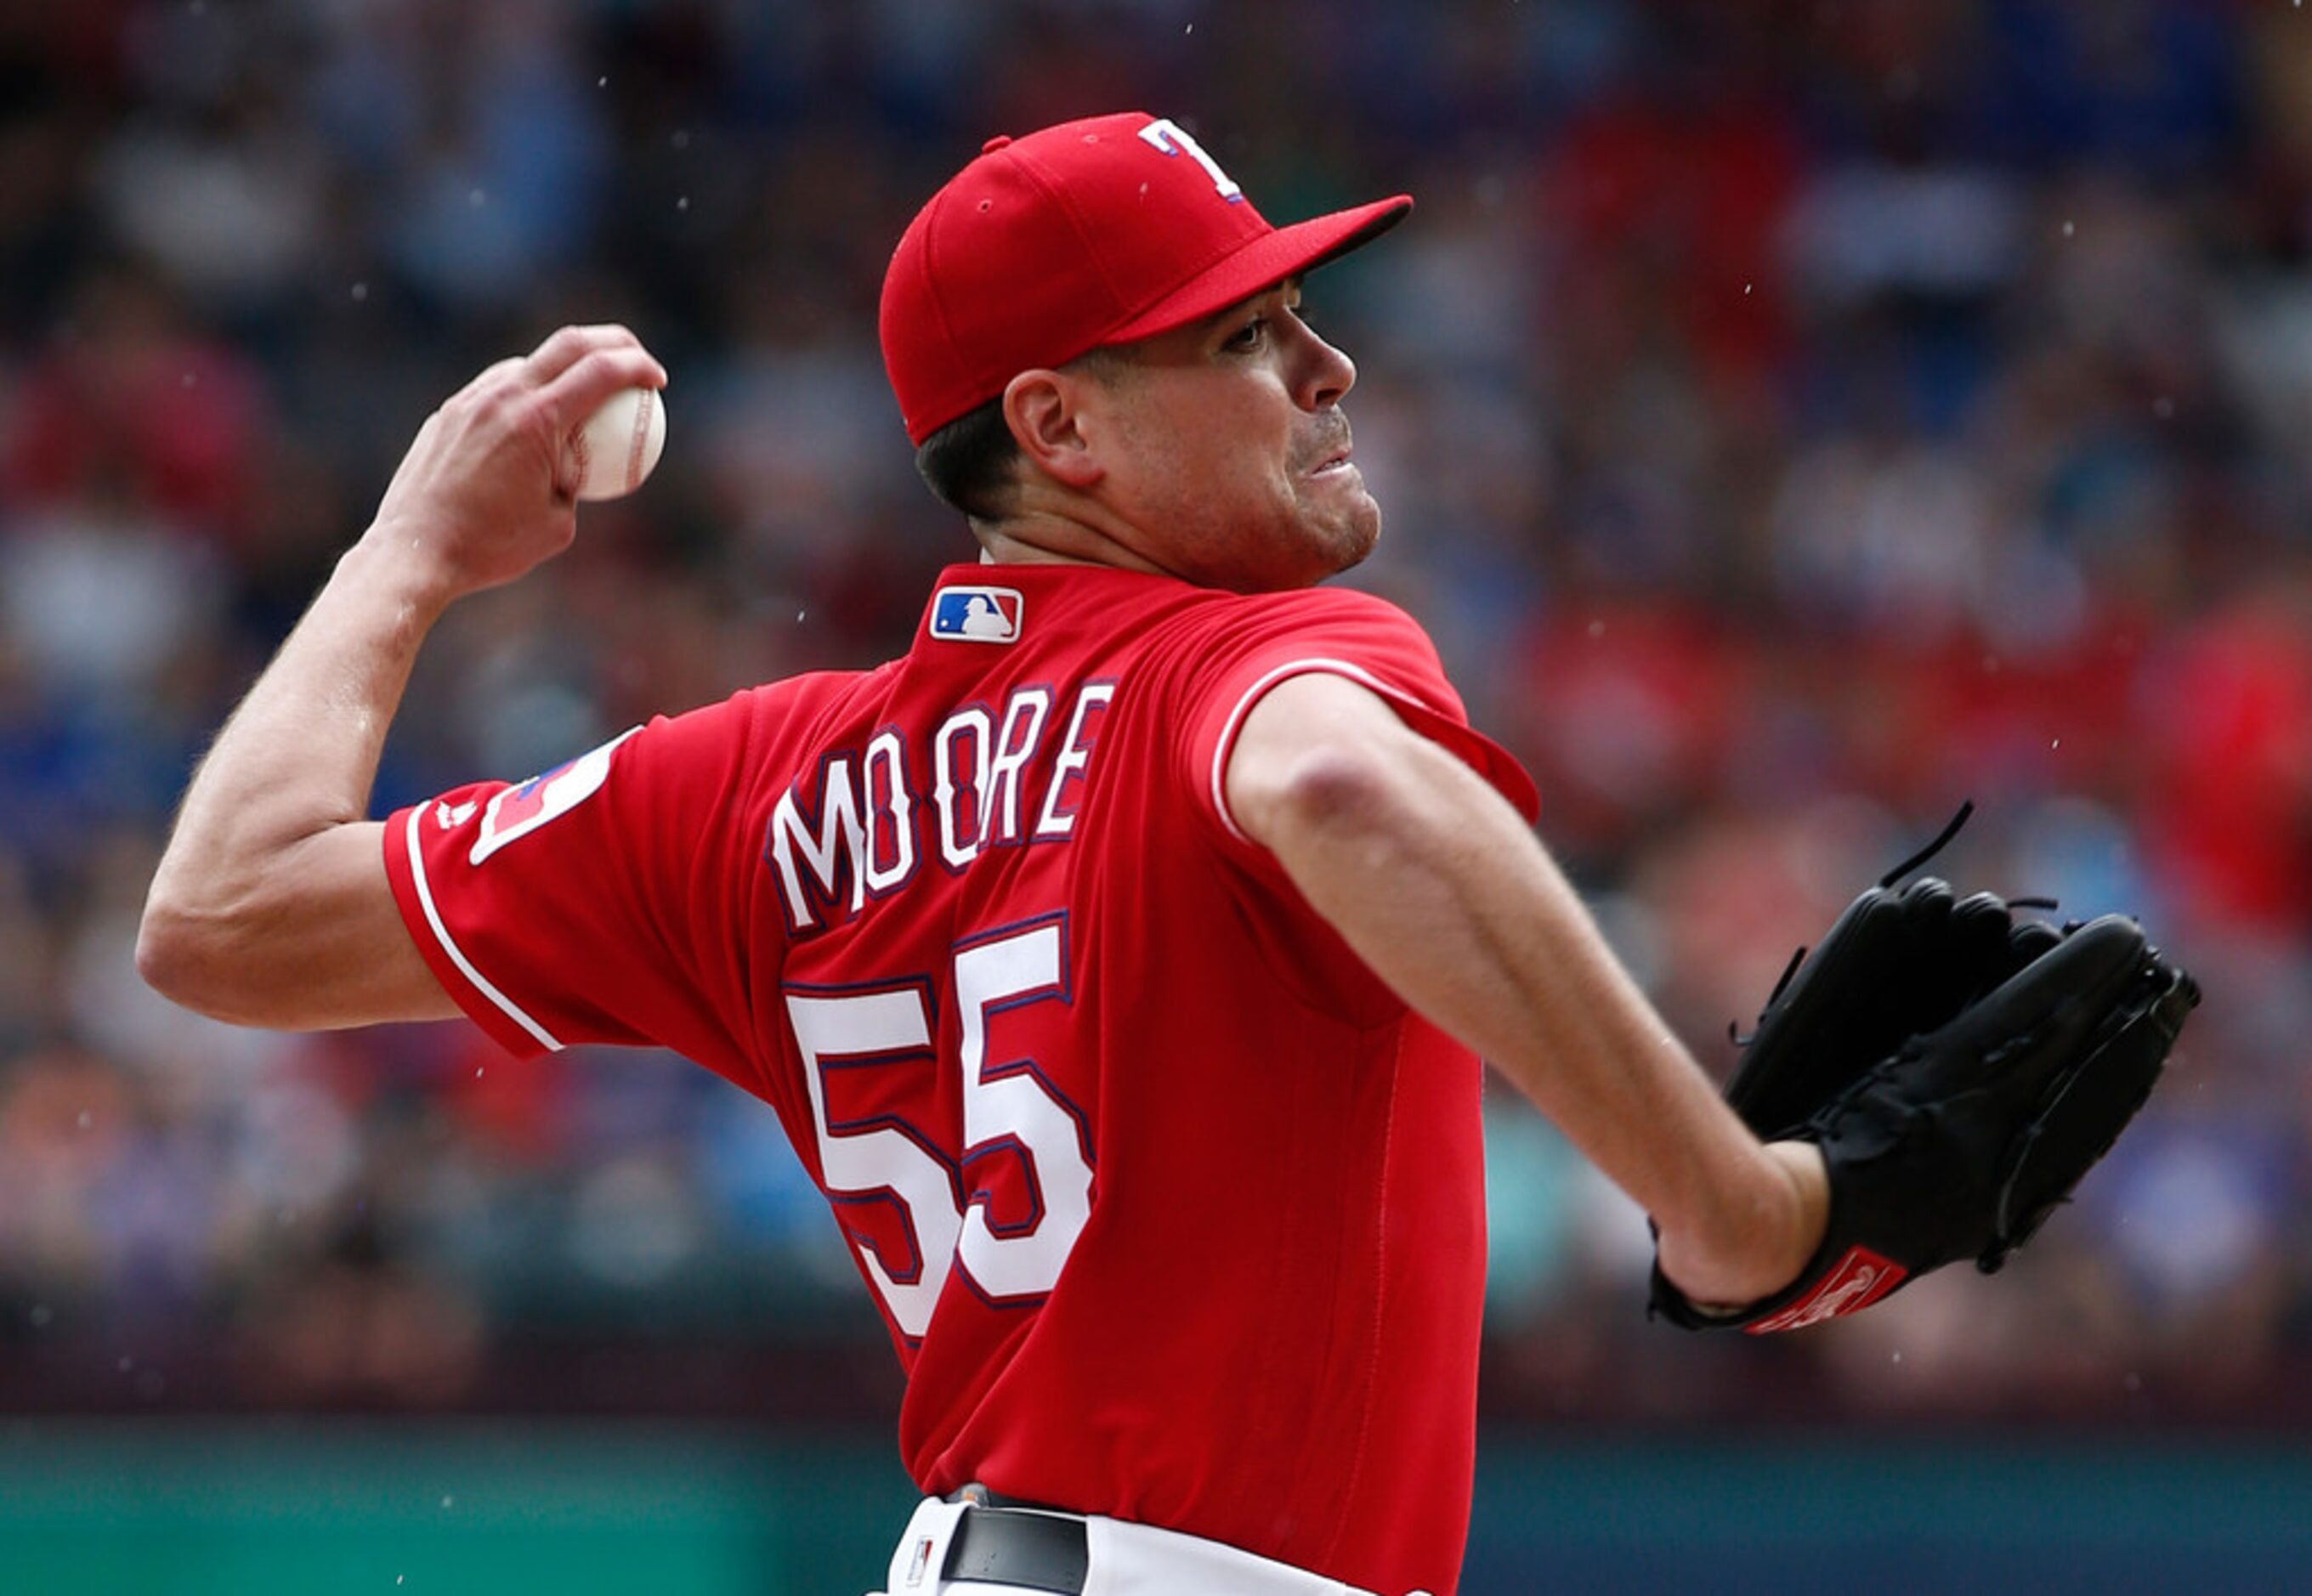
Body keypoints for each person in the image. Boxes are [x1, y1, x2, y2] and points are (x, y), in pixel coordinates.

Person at [139, 112, 1828, 1596]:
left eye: (1302, 316)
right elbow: (1345, 794)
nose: (1330, 368)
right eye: (1244, 336)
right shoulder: (1248, 660)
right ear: (1059, 427)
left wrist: (408, 552)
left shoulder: (748, 788)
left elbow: (223, 917)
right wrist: (1738, 1208)